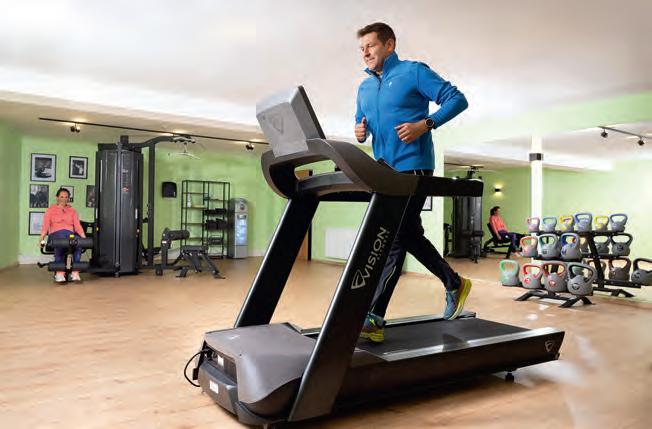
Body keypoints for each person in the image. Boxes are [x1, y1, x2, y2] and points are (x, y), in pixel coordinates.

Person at [354, 22, 471, 342]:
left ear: (389, 45)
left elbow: (457, 99)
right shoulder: (364, 87)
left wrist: (426, 124)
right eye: (361, 48)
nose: (365, 52)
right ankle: (454, 282)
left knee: (394, 238)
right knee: (408, 235)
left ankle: (374, 317)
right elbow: (360, 121)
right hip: (383, 171)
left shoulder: (413, 72)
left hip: (414, 167)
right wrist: (360, 131)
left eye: (370, 45)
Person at [39, 188, 86, 283]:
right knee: (60, 241)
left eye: (66, 197)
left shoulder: (72, 211)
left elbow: (77, 226)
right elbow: (45, 226)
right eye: (62, 197)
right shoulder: (50, 210)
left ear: (68, 198)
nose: (64, 199)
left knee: (78, 242)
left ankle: (75, 272)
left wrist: (84, 239)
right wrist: (41, 238)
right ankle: (60, 273)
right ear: (57, 198)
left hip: (69, 235)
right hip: (55, 235)